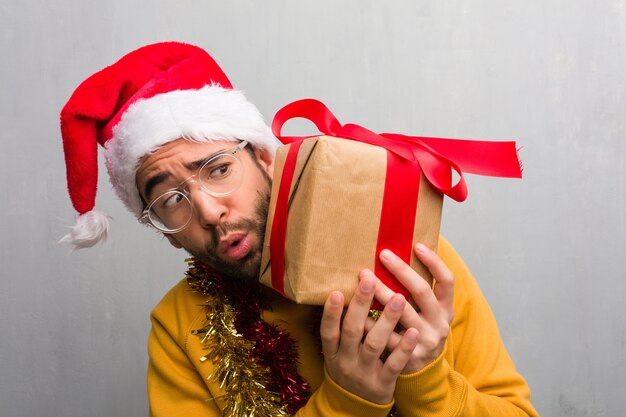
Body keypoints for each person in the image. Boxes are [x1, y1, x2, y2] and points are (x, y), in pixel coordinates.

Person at [60, 42, 539, 417]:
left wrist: (426, 379)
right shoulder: (178, 330)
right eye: (170, 201)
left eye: (219, 169)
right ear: (164, 231)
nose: (208, 211)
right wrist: (349, 401)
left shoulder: (411, 262)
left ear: (266, 160)